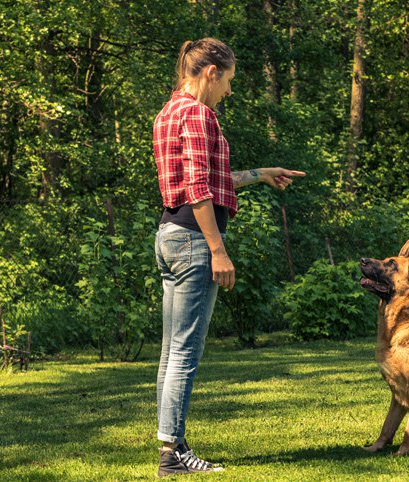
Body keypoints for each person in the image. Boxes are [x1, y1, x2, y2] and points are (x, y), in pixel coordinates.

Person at [152, 37, 306, 477]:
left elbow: (210, 180)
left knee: (170, 352)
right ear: (211, 72)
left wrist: (262, 174)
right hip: (194, 240)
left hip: (169, 233)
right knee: (185, 352)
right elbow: (200, 189)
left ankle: (171, 444)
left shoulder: (169, 112)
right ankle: (172, 454)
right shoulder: (200, 115)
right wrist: (218, 250)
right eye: (230, 81)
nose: (230, 92)